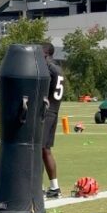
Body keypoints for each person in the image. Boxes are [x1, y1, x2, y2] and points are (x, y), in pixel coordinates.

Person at [40, 43, 65, 198]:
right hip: (54, 110)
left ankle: (38, 187)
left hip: (47, 111)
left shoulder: (48, 68)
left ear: (45, 53)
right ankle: (54, 187)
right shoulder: (58, 68)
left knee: (38, 149)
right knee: (45, 150)